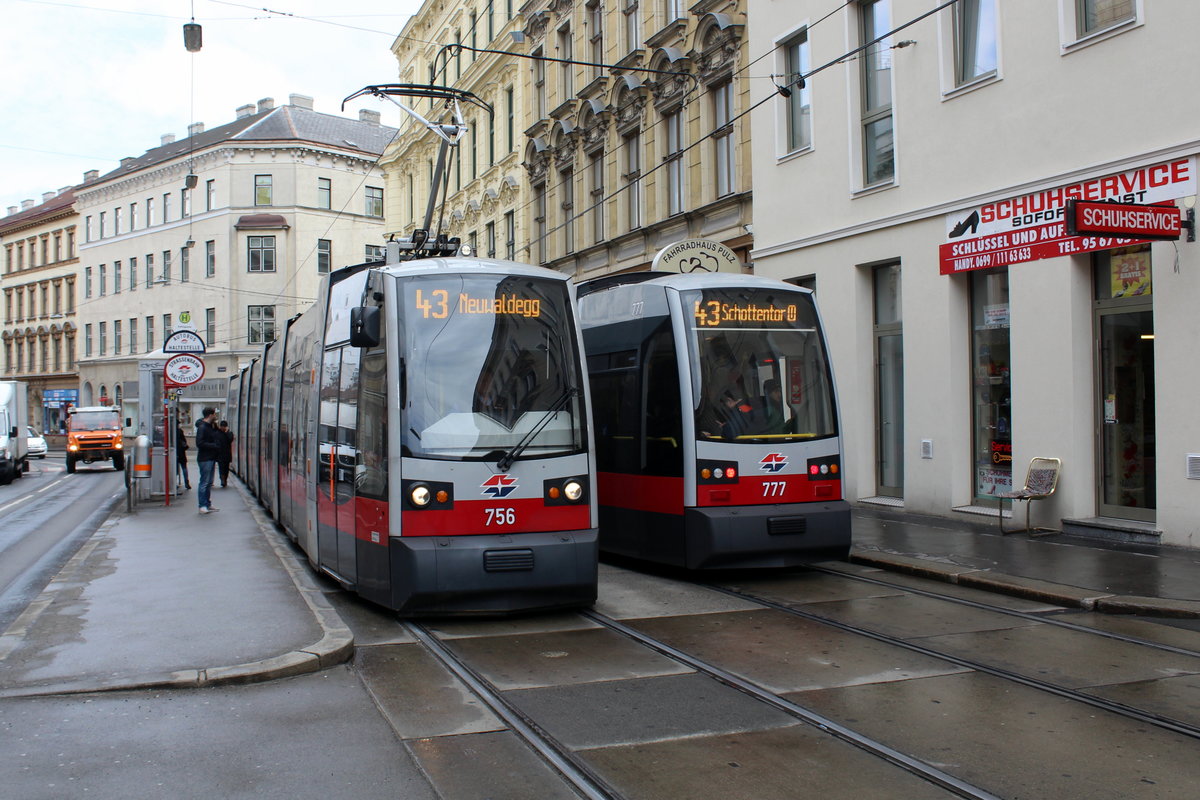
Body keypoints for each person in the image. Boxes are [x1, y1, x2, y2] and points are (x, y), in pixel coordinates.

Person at [195, 407, 221, 514]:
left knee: (209, 482)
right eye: (214, 414)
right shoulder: (203, 427)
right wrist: (214, 445)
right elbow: (199, 443)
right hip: (205, 458)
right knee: (204, 482)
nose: (215, 416)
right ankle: (202, 505)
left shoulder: (210, 426)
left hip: (210, 457)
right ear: (210, 415)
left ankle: (207, 504)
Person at [216, 420, 234, 488]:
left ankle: (225, 479)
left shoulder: (229, 433)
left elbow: (230, 440)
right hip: (220, 454)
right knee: (221, 468)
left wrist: (226, 433)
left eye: (224, 426)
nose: (223, 428)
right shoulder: (217, 433)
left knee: (226, 468)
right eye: (222, 426)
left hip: (227, 454)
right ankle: (222, 480)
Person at [175, 424, 192, 490]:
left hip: (174, 451)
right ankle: (186, 482)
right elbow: (184, 441)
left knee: (174, 468)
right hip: (181, 451)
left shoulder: (170, 431)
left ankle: (174, 483)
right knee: (184, 467)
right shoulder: (180, 431)